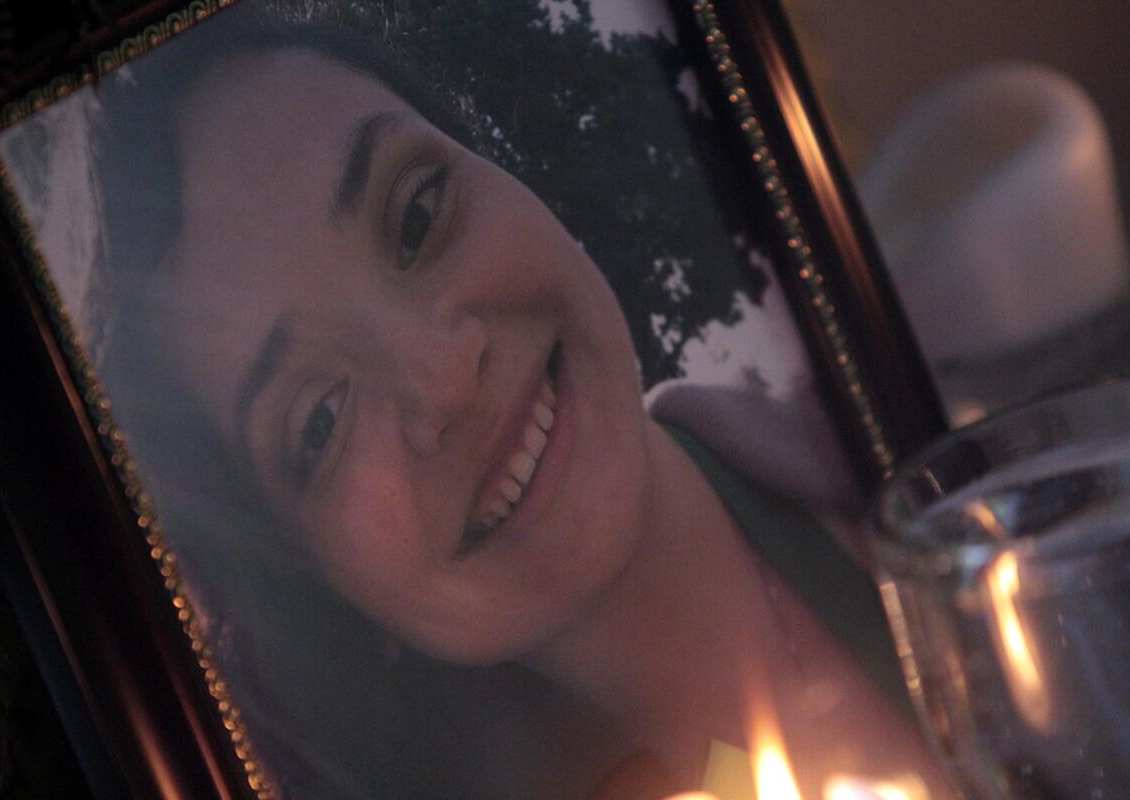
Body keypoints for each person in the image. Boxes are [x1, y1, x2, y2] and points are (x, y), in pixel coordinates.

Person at [78, 6, 949, 798]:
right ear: (319, 582)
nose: (446, 374)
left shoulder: (943, 408)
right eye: (319, 421)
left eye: (417, 215)